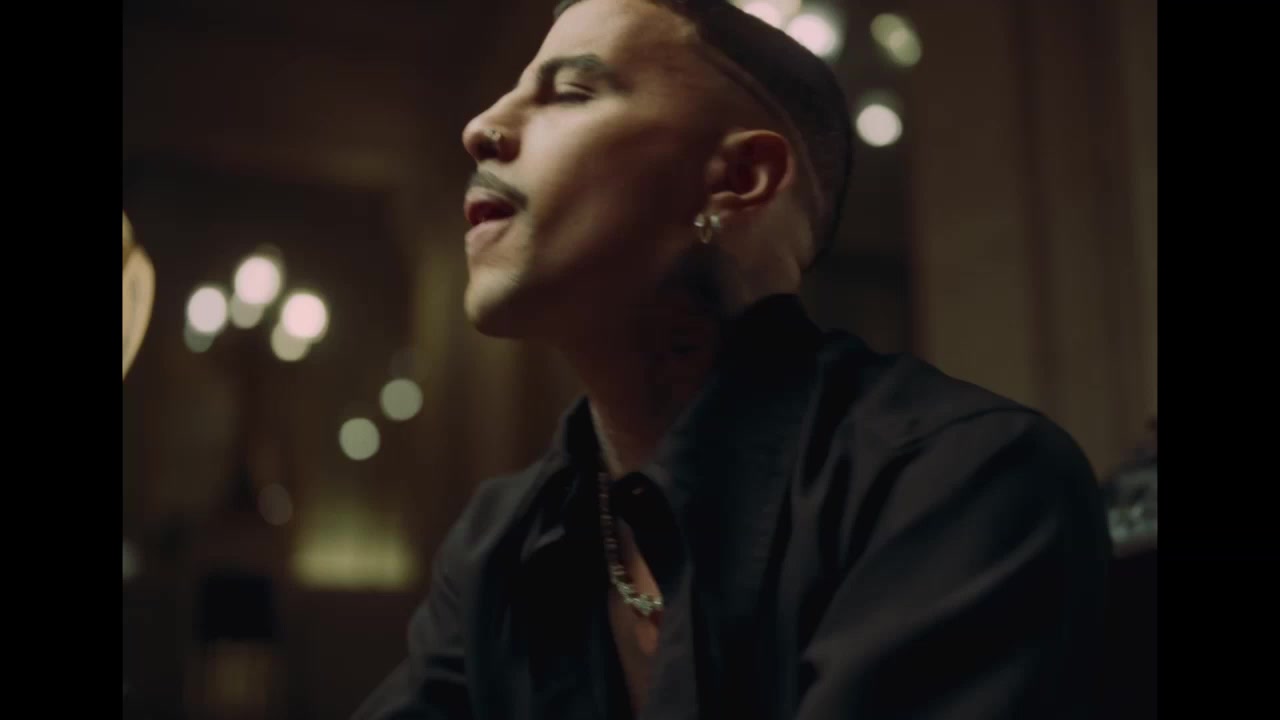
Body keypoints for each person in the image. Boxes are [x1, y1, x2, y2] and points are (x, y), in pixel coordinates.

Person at [354, 0, 1112, 717]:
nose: (480, 128)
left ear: (740, 180)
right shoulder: (495, 544)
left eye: (573, 93)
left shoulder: (961, 483)